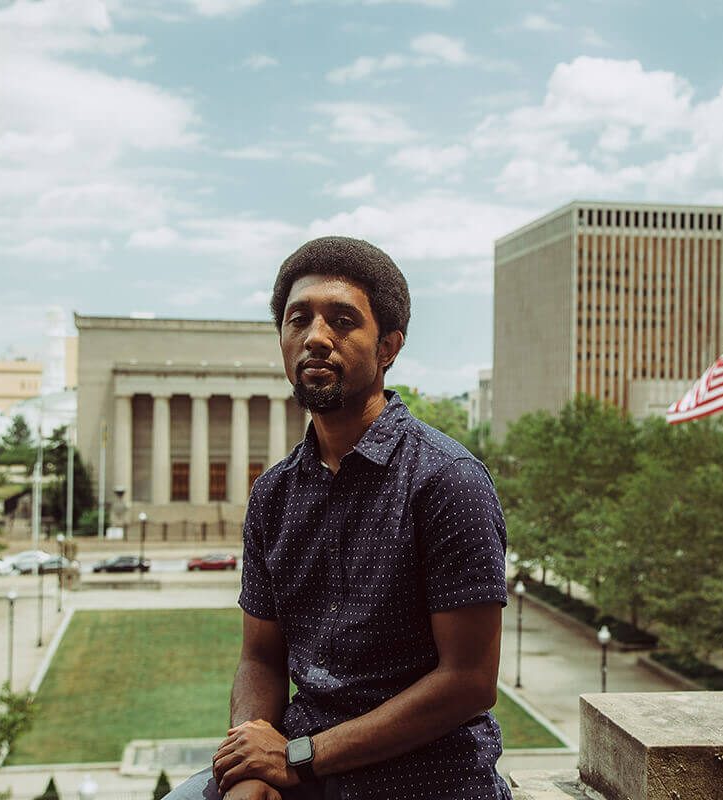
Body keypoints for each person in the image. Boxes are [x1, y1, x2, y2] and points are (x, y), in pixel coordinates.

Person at [165, 236, 511, 800]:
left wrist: (297, 758)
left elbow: (468, 683)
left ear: (388, 347)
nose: (316, 338)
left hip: (427, 780)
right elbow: (260, 657)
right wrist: (252, 764)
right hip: (304, 771)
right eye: (298, 319)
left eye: (343, 321)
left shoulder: (448, 481)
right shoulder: (274, 495)